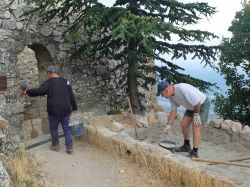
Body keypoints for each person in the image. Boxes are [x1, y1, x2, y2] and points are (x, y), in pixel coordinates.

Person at [23, 65, 77, 154]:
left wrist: (28, 91)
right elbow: (71, 95)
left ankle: (55, 146)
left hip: (54, 110)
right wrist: (74, 107)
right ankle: (69, 147)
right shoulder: (66, 81)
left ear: (49, 73)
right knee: (66, 128)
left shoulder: (49, 82)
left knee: (54, 128)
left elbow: (39, 91)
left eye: (47, 73)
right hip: (66, 109)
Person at [157, 81, 210, 158]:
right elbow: (173, 111)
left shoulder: (182, 89)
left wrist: (196, 115)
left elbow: (197, 103)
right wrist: (169, 125)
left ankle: (195, 152)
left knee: (195, 126)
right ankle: (186, 146)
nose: (163, 96)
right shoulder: (171, 96)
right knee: (184, 124)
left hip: (201, 105)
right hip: (192, 106)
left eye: (162, 94)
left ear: (166, 90)